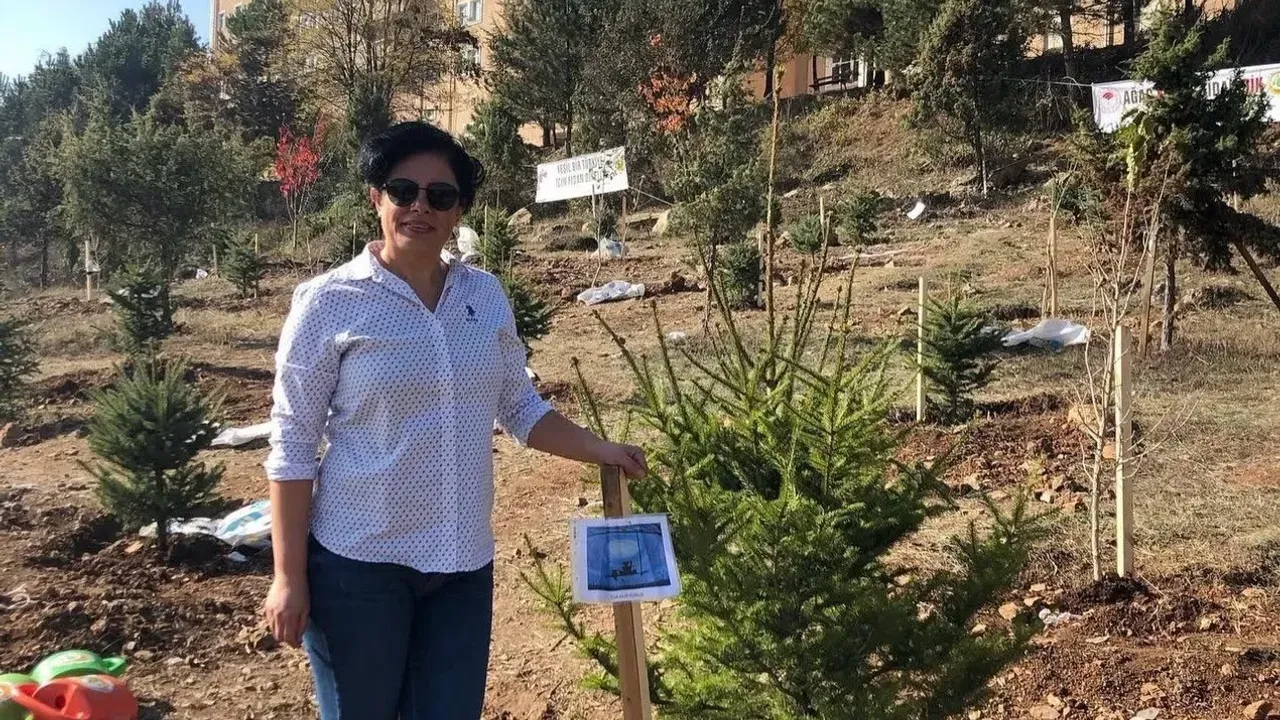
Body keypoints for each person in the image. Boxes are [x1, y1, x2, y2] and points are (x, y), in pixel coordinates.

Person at [261, 121, 647, 720]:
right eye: (403, 191)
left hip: (462, 567)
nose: (420, 207)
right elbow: (292, 443)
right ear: (376, 198)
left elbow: (519, 407)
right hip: (359, 567)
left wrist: (602, 449)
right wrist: (288, 577)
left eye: (440, 196)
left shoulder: (484, 296)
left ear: (459, 209)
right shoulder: (327, 303)